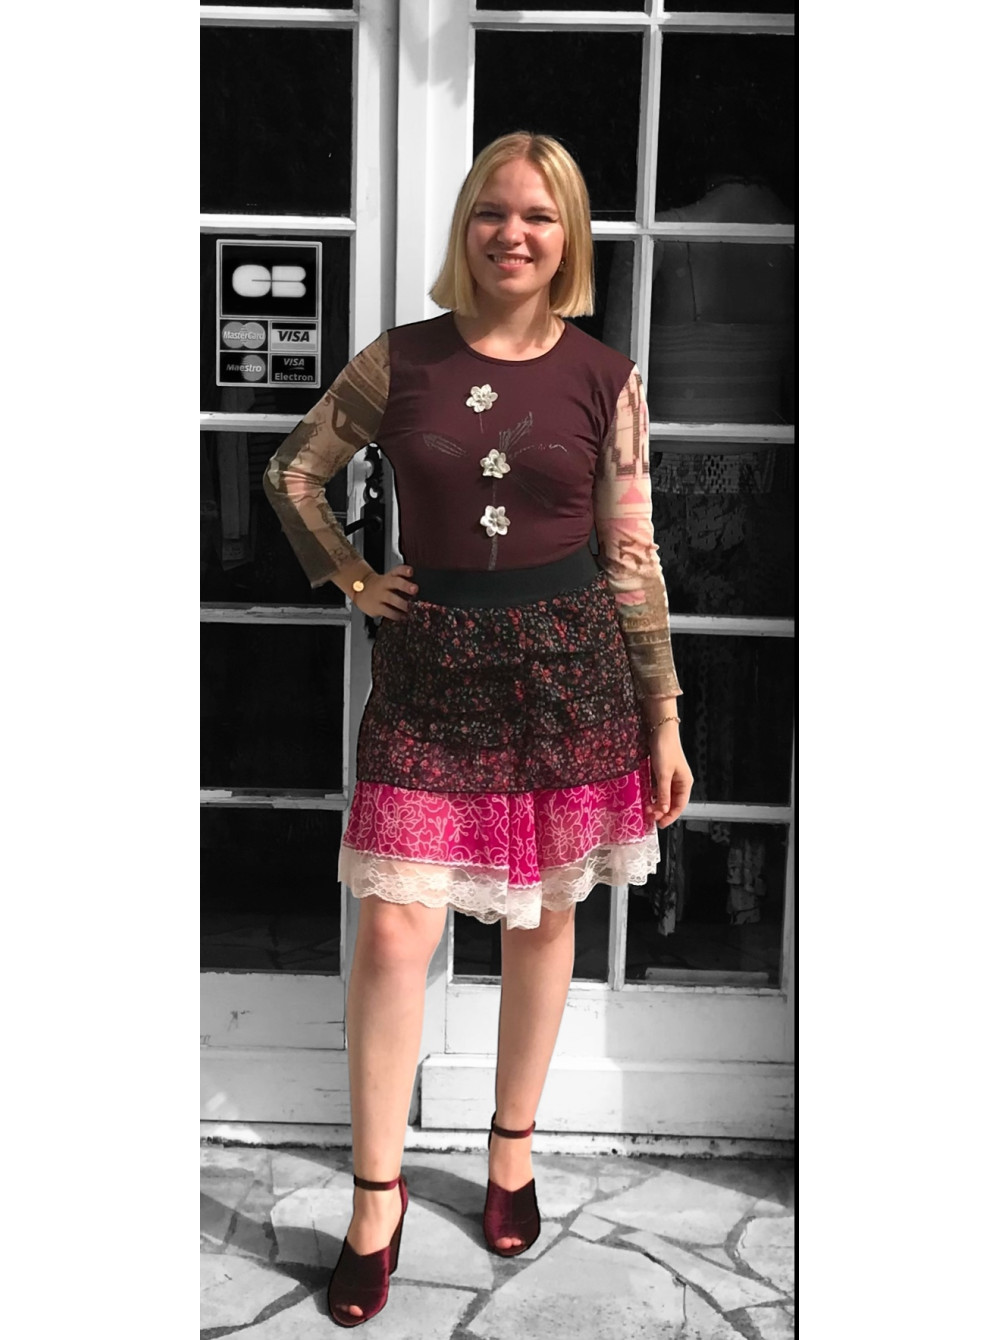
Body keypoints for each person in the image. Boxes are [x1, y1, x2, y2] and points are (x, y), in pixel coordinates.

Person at [262, 130, 693, 1328]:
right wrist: (353, 575)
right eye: (494, 211)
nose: (514, 233)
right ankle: (377, 1196)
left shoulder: (608, 378)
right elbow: (294, 471)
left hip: (572, 677)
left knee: (544, 918)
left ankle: (510, 1151)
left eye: (539, 216)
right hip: (429, 675)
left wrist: (662, 712)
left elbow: (631, 552)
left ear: (569, 238)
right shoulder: (397, 361)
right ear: (465, 226)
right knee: (396, 930)